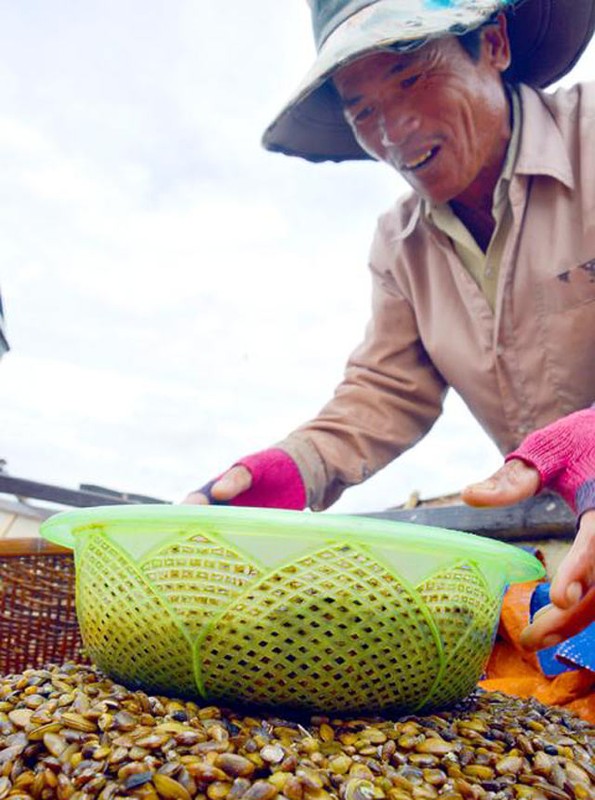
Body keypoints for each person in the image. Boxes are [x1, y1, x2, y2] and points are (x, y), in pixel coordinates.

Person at [186, 0, 595, 657]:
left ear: (491, 43)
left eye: (410, 77)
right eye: (361, 108)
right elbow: (384, 391)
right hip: (569, 556)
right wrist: (295, 467)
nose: (394, 129)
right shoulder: (400, 244)